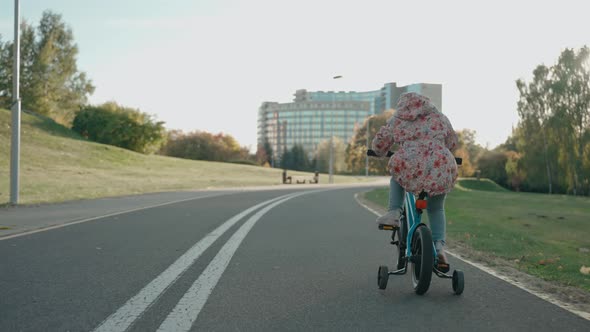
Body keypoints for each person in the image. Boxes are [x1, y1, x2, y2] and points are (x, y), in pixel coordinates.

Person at [371, 92, 458, 271]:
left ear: (403, 105)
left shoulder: (398, 118)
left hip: (411, 165)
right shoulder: (439, 117)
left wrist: (378, 152)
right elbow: (452, 142)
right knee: (435, 208)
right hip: (439, 165)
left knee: (396, 173)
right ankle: (439, 248)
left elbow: (380, 144)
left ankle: (394, 212)